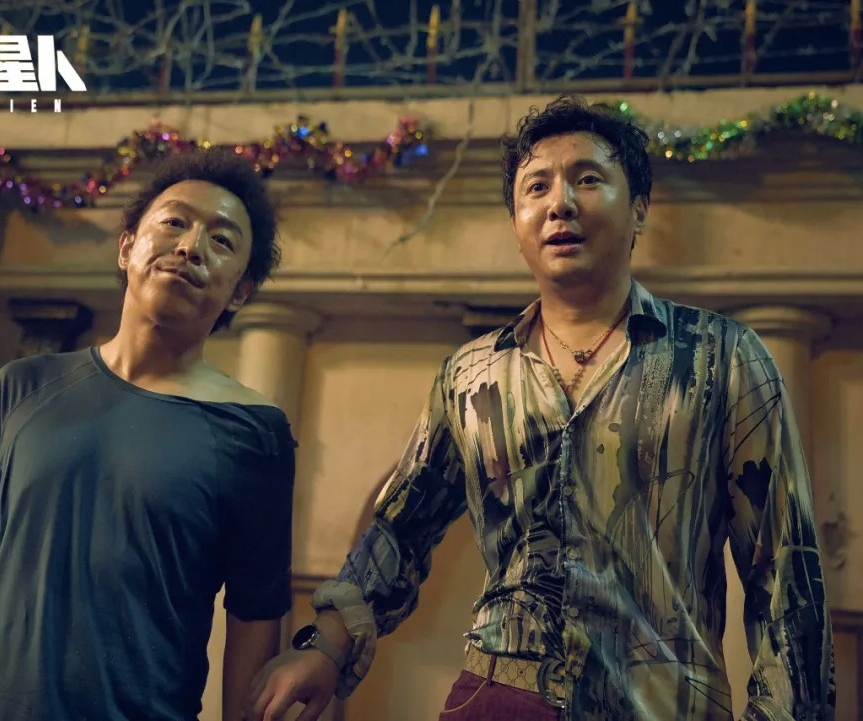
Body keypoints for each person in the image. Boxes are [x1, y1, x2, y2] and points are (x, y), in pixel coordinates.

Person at [245, 95, 835, 721]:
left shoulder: (721, 357)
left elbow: (783, 573)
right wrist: (324, 648)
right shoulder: (471, 374)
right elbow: (398, 531)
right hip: (495, 697)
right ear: (516, 223)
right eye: (537, 187)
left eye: (588, 179)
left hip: (662, 705)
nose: (561, 203)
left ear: (639, 208)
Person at [0, 149, 297, 721]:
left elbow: (254, 620)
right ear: (126, 247)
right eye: (174, 222)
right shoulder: (22, 386)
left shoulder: (255, 433)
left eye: (221, 241)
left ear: (241, 292)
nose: (191, 246)